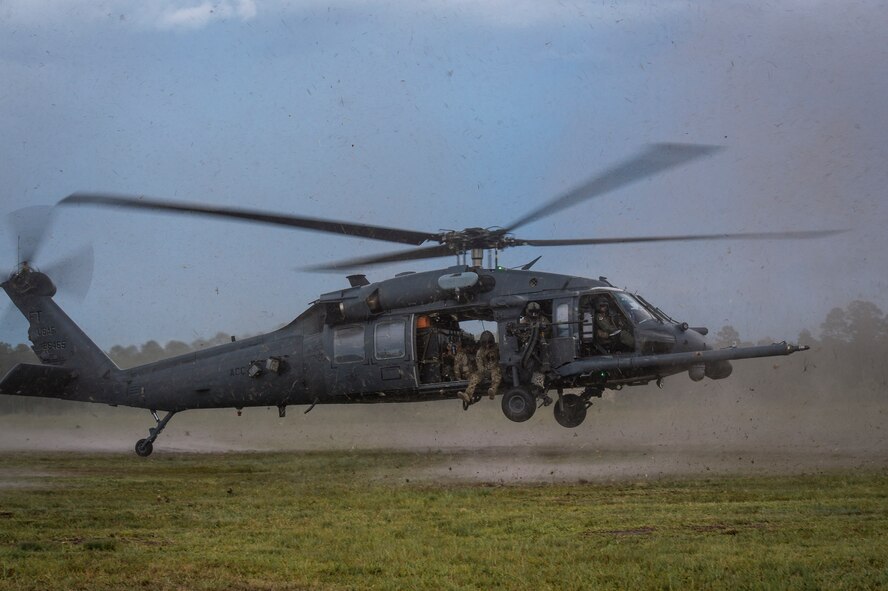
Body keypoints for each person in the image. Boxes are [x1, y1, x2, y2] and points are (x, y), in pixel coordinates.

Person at [457, 330, 501, 403]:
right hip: (485, 370)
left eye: (489, 343)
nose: (487, 345)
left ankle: (493, 390)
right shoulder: (480, 351)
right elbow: (479, 363)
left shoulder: (497, 347)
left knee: (496, 372)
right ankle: (467, 395)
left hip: (495, 368)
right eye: (485, 343)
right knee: (475, 376)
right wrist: (482, 370)